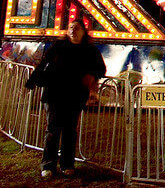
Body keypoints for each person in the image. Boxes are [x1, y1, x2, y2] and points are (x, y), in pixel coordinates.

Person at [25, 19, 106, 179]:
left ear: (84, 31)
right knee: (52, 130)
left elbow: (101, 69)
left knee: (70, 130)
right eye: (70, 28)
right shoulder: (59, 46)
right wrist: (32, 82)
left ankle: (67, 164)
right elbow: (44, 63)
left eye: (76, 28)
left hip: (75, 95)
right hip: (54, 93)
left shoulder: (90, 50)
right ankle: (48, 165)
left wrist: (91, 76)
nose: (73, 30)